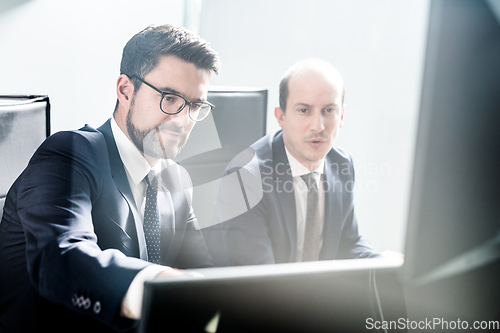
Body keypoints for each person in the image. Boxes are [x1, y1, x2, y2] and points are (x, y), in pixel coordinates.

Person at [0, 24, 220, 332]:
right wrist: (155, 284)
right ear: (125, 90)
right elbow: (63, 259)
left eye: (196, 105)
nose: (183, 119)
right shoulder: (70, 154)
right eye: (170, 98)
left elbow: (206, 279)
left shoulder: (176, 181)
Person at [205, 58, 379, 266]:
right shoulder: (245, 179)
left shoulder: (340, 163)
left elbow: (349, 245)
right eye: (304, 110)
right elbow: (255, 281)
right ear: (281, 117)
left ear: (341, 116)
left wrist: (389, 266)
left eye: (329, 110)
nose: (318, 126)